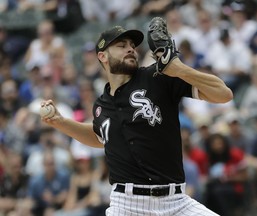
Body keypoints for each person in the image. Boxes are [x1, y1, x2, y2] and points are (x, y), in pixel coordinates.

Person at [40, 17, 233, 215]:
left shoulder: (157, 77)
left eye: (132, 45)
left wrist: (178, 68)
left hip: (177, 202)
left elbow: (224, 94)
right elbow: (100, 137)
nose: (131, 49)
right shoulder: (101, 105)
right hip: (127, 206)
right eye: (121, 45)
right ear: (103, 56)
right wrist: (61, 123)